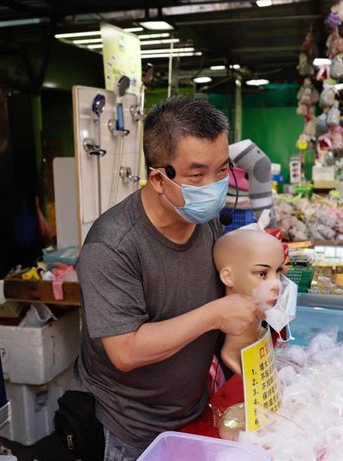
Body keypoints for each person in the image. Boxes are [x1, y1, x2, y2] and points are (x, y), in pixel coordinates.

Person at [73, 96, 264, 459]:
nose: (214, 185)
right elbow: (125, 351)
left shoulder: (203, 219)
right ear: (159, 179)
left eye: (222, 170)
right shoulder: (112, 245)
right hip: (131, 429)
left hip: (194, 410)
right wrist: (217, 314)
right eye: (197, 175)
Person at [214, 229, 285, 376]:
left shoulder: (262, 332)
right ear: (228, 277)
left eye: (278, 271)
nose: (276, 284)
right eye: (262, 274)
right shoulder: (234, 359)